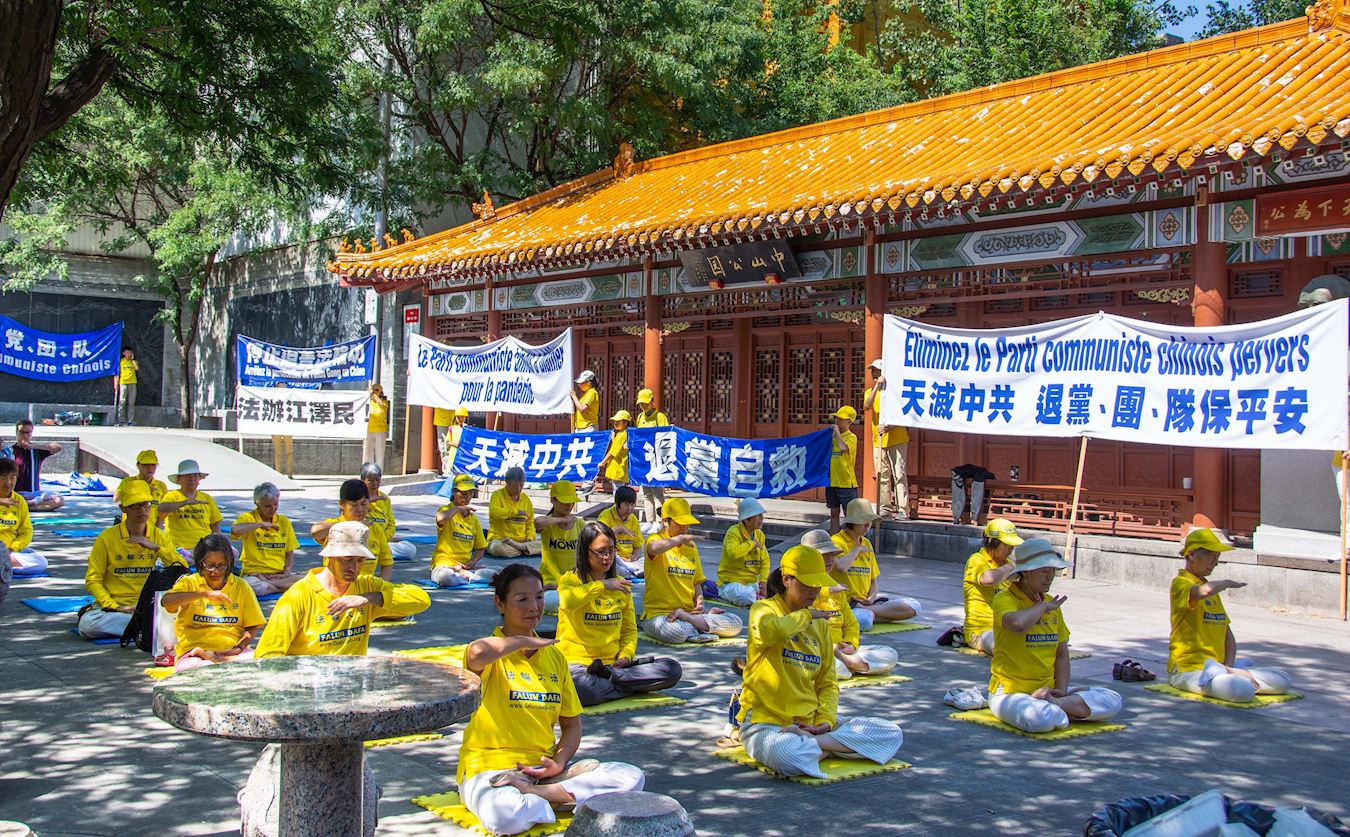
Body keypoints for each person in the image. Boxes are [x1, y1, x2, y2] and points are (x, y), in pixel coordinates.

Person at [457, 564, 644, 836]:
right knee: (504, 817)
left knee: (630, 775)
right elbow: (476, 653)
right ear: (500, 603)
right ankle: (562, 797)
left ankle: (540, 793)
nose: (533, 606)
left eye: (540, 597)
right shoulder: (492, 652)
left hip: (541, 771)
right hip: (487, 770)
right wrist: (522, 643)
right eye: (522, 599)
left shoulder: (554, 657)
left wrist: (559, 761)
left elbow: (571, 726)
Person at [737, 545, 904, 778]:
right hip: (766, 724)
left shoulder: (821, 625)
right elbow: (768, 632)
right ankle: (834, 747)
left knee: (892, 733)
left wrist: (825, 721)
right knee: (787, 755)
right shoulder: (763, 609)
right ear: (787, 579)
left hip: (810, 726)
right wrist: (805, 616)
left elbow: (827, 682)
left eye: (818, 585)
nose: (815, 592)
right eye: (808, 584)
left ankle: (819, 743)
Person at [988, 538, 1122, 733]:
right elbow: (1016, 624)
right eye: (1044, 570)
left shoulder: (1052, 605)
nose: (1050, 575)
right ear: (1025, 572)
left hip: (1047, 692)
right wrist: (1041, 606)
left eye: (1053, 570)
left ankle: (1055, 704)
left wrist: (1061, 690)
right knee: (1039, 719)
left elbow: (1061, 654)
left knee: (1113, 700)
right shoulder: (1005, 598)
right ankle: (1063, 709)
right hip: (1010, 692)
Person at [255, 521, 430, 657]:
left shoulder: (367, 585)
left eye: (360, 560)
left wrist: (371, 598)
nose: (354, 567)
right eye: (347, 559)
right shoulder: (298, 596)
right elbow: (268, 654)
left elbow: (422, 600)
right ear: (330, 557)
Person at [558, 522, 682, 705]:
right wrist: (601, 586)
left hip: (614, 666)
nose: (607, 557)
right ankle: (629, 686)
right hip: (578, 665)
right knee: (582, 687)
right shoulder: (570, 580)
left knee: (671, 669)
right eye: (600, 551)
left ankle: (610, 680)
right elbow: (567, 601)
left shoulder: (621, 584)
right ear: (585, 552)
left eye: (611, 550)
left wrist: (626, 656)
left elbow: (629, 629)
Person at [1168, 528, 1291, 703]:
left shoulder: (1212, 591)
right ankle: (1228, 675)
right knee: (1241, 690)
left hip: (1219, 669)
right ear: (1192, 555)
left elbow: (1228, 636)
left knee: (1282, 679)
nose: (1215, 562)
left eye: (1217, 557)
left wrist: (1228, 666)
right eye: (1211, 556)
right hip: (1188, 670)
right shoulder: (1180, 584)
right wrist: (1226, 583)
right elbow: (1201, 592)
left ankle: (1226, 671)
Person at [80, 481, 186, 638]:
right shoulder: (107, 538)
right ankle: (145, 628)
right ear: (123, 508)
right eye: (135, 506)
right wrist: (114, 606)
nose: (142, 510)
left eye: (146, 504)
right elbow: (93, 579)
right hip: (116, 608)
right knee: (88, 625)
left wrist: (157, 548)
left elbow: (182, 570)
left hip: (148, 605)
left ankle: (142, 627)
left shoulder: (159, 536)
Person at [801, 529, 898, 680]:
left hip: (841, 650)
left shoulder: (836, 588)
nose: (829, 560)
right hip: (815, 649)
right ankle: (851, 665)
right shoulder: (800, 585)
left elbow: (851, 623)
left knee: (890, 654)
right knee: (823, 665)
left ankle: (848, 664)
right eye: (823, 555)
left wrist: (851, 644)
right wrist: (827, 591)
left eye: (831, 555)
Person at [641, 498, 742, 643]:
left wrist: (700, 604)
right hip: (659, 615)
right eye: (680, 523)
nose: (685, 527)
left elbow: (696, 582)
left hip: (688, 614)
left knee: (736, 623)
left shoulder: (690, 546)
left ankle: (693, 621)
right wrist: (679, 539)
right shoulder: (655, 539)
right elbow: (653, 548)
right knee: (676, 633)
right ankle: (700, 625)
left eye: (687, 523)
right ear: (665, 521)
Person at [162, 534, 265, 671]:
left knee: (257, 665)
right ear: (200, 563)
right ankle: (211, 659)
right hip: (192, 651)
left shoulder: (241, 586)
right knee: (194, 669)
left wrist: (238, 648)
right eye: (209, 565)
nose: (215, 571)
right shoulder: (189, 582)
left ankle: (215, 659)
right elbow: (166, 601)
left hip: (231, 651)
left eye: (221, 566)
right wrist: (204, 594)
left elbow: (252, 626)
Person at [830, 499, 921, 631]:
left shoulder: (866, 543)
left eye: (869, 521)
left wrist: (871, 598)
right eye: (863, 521)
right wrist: (856, 550)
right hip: (845, 603)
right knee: (864, 621)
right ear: (852, 522)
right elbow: (840, 567)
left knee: (914, 606)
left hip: (865, 603)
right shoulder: (837, 541)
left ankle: (870, 611)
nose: (867, 525)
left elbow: (873, 581)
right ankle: (877, 614)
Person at [960, 518, 1023, 655]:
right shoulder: (977, 560)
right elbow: (988, 579)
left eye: (1012, 545)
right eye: (1006, 545)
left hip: (1007, 627)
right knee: (1006, 647)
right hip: (981, 630)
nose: (1011, 549)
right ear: (991, 541)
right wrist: (1010, 567)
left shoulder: (1006, 565)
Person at [311, 478, 394, 580]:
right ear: (342, 504)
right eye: (354, 505)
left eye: (364, 504)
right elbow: (315, 531)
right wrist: (349, 525)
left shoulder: (374, 528)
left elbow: (387, 563)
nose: (360, 509)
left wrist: (380, 587)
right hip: (336, 587)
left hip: (365, 588)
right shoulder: (335, 526)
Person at [231, 482, 304, 596]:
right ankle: (280, 586)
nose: (273, 509)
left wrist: (287, 572)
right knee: (250, 587)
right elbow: (235, 530)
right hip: (254, 574)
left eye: (275, 504)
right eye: (267, 506)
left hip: (278, 574)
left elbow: (289, 551)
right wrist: (260, 524)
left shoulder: (284, 521)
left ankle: (269, 584)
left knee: (305, 581)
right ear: (257, 503)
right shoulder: (248, 517)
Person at [862, 360, 910, 520]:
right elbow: (867, 406)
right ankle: (885, 508)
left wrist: (890, 426)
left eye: (875, 370)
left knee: (899, 474)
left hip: (897, 438)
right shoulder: (871, 391)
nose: (872, 373)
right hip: (879, 440)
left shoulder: (895, 392)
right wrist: (877, 387)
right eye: (872, 370)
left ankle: (903, 509)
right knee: (882, 475)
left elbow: (904, 413)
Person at [431, 474, 497, 588]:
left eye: (470, 493)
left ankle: (465, 575)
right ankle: (469, 577)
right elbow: (440, 519)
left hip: (464, 566)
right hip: (444, 565)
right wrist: (459, 508)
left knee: (499, 573)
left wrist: (473, 561)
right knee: (444, 577)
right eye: (463, 493)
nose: (467, 497)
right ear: (453, 492)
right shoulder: (446, 510)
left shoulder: (473, 519)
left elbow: (481, 547)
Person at [159, 459, 223, 558]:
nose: (192, 479)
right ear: (179, 479)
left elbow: (215, 526)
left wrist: (218, 545)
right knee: (185, 561)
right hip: (179, 547)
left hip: (205, 547)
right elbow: (161, 508)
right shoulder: (172, 496)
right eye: (188, 476)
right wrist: (185, 502)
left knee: (231, 554)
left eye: (195, 475)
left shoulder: (207, 498)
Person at [537, 480, 583, 612]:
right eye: (565, 501)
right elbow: (537, 522)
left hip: (573, 583)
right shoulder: (547, 523)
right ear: (553, 500)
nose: (569, 505)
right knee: (556, 601)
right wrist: (561, 520)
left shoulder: (579, 523)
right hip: (550, 583)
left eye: (572, 501)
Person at [1, 420, 65, 511]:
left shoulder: (36, 451)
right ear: (17, 433)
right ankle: (24, 505)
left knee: (59, 500)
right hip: (16, 493)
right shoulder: (8, 452)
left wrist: (34, 446)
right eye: (22, 432)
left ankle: (23, 506)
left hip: (34, 495)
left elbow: (58, 447)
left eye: (28, 433)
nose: (25, 435)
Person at [716, 498, 769, 607]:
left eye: (762, 515)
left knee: (776, 588)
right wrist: (752, 544)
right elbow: (733, 553)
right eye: (758, 516)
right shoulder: (733, 532)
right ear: (746, 519)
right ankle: (757, 598)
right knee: (745, 595)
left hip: (751, 584)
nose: (762, 519)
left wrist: (763, 581)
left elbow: (765, 561)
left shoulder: (760, 535)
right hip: (730, 583)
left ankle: (756, 597)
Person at [361, 462, 417, 562]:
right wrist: (367, 502)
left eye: (377, 480)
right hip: (363, 541)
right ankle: (374, 553)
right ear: (363, 481)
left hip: (382, 542)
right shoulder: (357, 497)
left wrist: (384, 539)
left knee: (410, 549)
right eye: (370, 481)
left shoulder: (384, 499)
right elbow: (350, 519)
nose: (374, 484)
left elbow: (391, 524)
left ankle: (377, 552)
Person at [0, 458, 44, 575]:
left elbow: (26, 532)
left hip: (10, 551)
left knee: (41, 561)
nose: (8, 482)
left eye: (12, 477)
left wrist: (12, 548)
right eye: (4, 477)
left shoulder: (19, 501)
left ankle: (4, 565)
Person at [486, 466, 541, 558]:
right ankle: (525, 550)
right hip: (501, 540)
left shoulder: (526, 499)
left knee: (545, 545)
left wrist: (529, 538)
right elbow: (494, 512)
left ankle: (521, 548)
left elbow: (530, 523)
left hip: (522, 541)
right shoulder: (497, 495)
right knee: (498, 548)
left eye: (521, 485)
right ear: (507, 483)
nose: (518, 488)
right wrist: (516, 512)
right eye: (515, 485)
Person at [632, 388, 668, 527]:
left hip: (656, 459)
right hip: (644, 459)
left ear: (653, 402)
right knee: (646, 492)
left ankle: (661, 520)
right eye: (641, 404)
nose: (644, 406)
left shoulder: (660, 417)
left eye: (646, 403)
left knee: (657, 491)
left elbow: (665, 437)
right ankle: (650, 521)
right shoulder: (640, 417)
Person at [597, 486, 644, 578]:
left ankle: (632, 572)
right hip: (612, 558)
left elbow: (638, 545)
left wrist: (633, 557)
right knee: (615, 568)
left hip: (630, 561)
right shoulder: (605, 515)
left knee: (648, 561)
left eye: (632, 504)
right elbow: (600, 537)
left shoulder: (633, 519)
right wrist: (619, 529)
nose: (630, 508)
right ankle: (632, 573)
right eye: (626, 504)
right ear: (617, 503)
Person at [114, 450, 167, 529]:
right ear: (138, 465)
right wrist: (141, 489)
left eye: (153, 465)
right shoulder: (128, 481)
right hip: (130, 529)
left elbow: (164, 509)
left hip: (152, 530)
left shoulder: (160, 485)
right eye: (146, 465)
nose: (150, 468)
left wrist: (159, 526)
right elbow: (116, 499)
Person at [826, 406, 859, 533]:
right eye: (836, 418)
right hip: (831, 481)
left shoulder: (851, 437)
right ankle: (834, 539)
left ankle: (851, 541)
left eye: (841, 419)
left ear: (849, 422)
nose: (837, 421)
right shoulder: (832, 437)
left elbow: (843, 448)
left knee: (849, 515)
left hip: (846, 483)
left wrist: (837, 433)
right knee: (834, 513)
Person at [594, 410, 630, 495]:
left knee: (618, 492)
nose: (615, 423)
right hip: (620, 467)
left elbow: (612, 452)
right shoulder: (622, 434)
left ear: (625, 423)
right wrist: (613, 438)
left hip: (618, 467)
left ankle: (619, 507)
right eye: (615, 421)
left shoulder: (621, 435)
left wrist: (602, 463)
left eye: (618, 422)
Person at [270, 381, 295, 478]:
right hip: (276, 426)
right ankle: (278, 472)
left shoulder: (290, 396)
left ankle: (290, 473)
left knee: (289, 451)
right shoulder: (272, 396)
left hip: (287, 426)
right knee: (278, 451)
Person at [364, 383, 391, 468]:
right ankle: (367, 469)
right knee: (368, 452)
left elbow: (382, 406)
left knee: (379, 452)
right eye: (373, 390)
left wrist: (374, 395)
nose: (375, 392)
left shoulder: (384, 402)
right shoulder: (368, 401)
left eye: (377, 390)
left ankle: (379, 471)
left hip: (380, 429)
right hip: (369, 429)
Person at [114, 347, 139, 425]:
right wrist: (116, 383)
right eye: (127, 352)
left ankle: (130, 420)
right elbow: (117, 373)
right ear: (124, 353)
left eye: (130, 352)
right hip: (123, 382)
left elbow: (137, 368)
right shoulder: (121, 362)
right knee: (122, 401)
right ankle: (121, 420)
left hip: (132, 382)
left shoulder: (134, 362)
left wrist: (133, 360)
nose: (129, 354)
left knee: (131, 402)